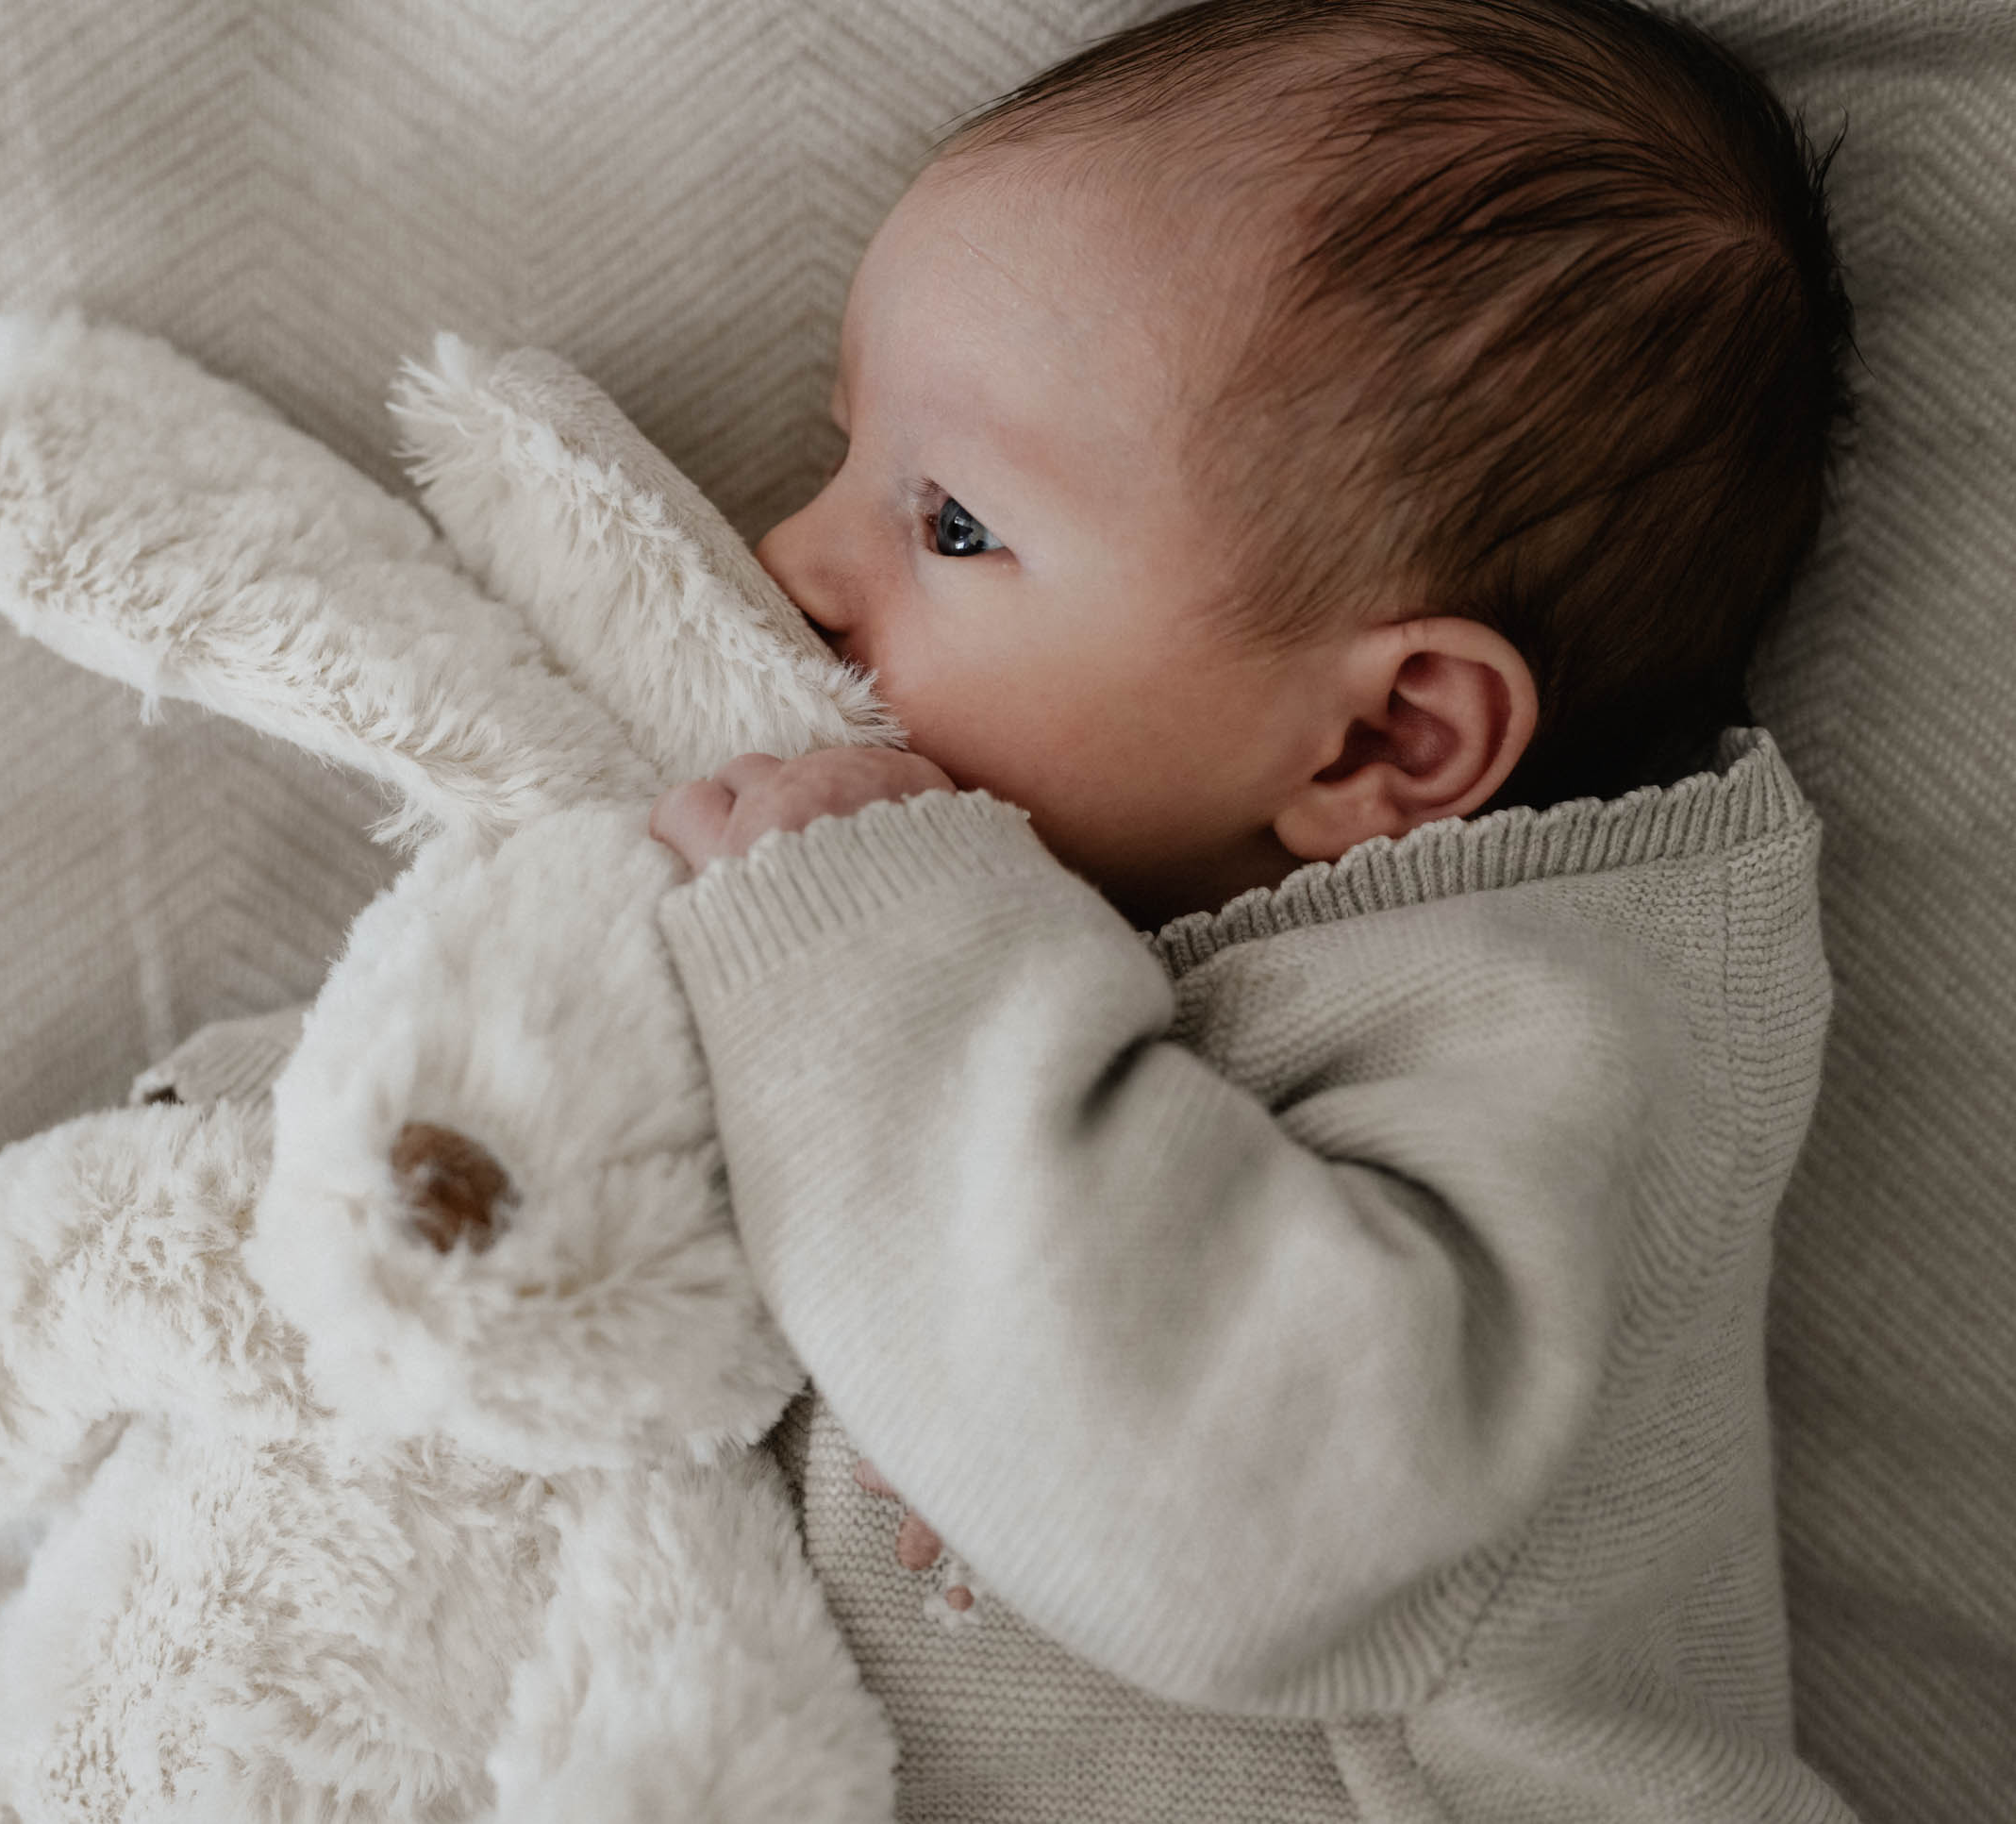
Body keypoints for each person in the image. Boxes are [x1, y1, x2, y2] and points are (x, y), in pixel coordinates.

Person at [644, 0, 1862, 1817]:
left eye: (954, 523)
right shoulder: (1142, 886)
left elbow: (1237, 1518)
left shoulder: (1558, 1041)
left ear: (1385, 736)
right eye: (846, 452)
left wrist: (866, 948)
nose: (792, 563)